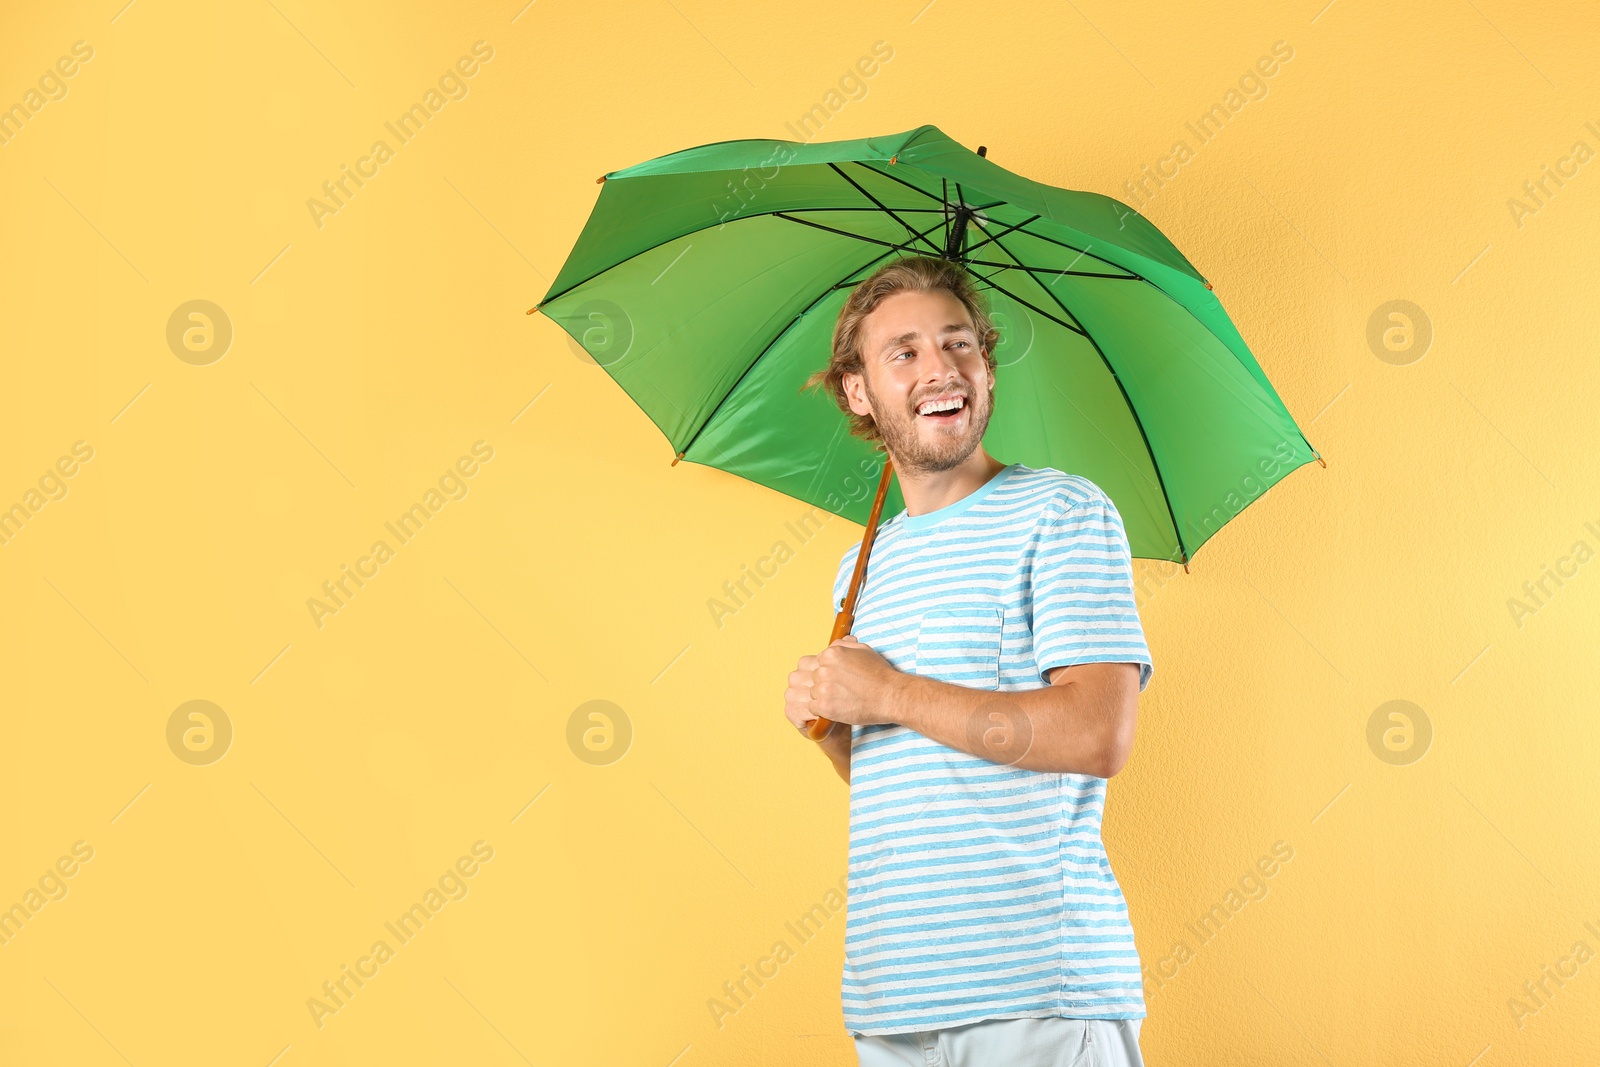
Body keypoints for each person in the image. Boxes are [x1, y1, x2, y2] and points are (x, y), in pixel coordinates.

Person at [784, 255, 1154, 1066]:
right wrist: (832, 722)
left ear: (986, 367)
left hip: (1036, 993)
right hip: (894, 999)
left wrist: (889, 690)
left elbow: (1098, 732)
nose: (940, 369)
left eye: (959, 344)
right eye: (905, 352)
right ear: (858, 392)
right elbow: (913, 765)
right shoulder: (863, 565)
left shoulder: (1062, 512)